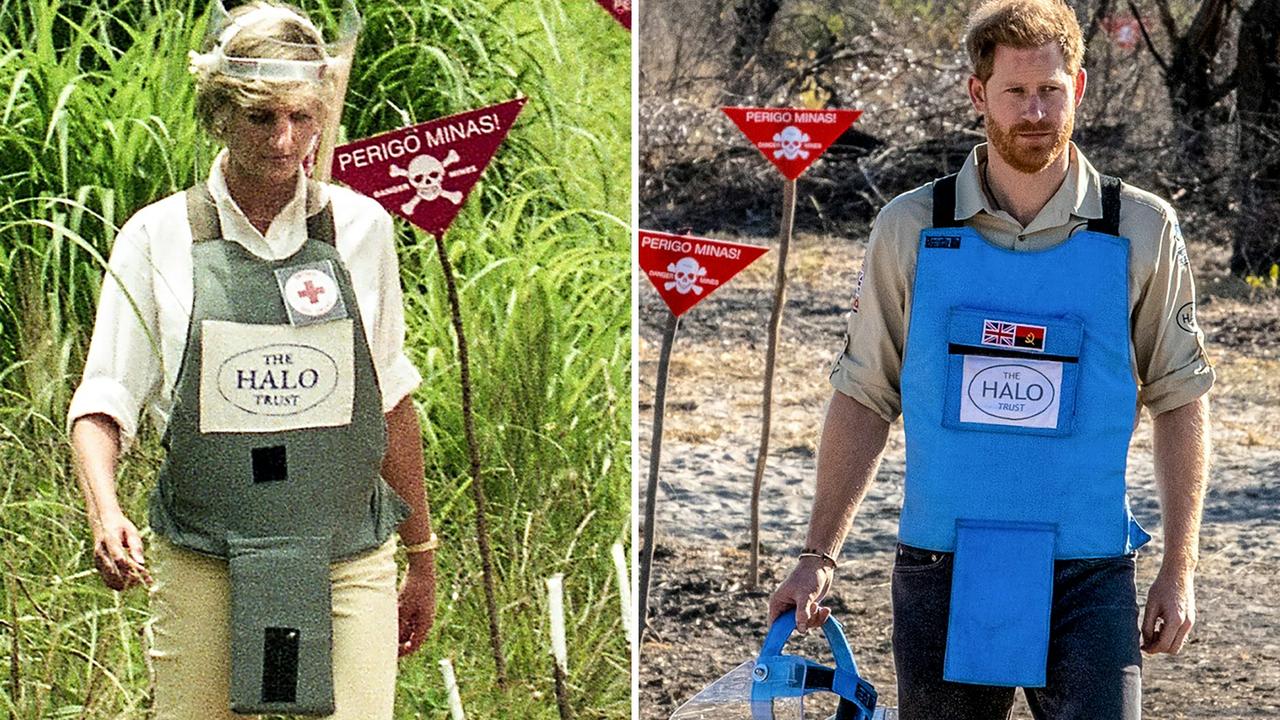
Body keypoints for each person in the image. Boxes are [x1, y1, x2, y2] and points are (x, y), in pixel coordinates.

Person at [768, 1, 1214, 718]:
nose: (1036, 111)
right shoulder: (911, 227)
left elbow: (1181, 398)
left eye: (1052, 90)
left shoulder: (1140, 226)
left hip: (1089, 571)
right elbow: (863, 394)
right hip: (939, 570)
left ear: (1081, 87)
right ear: (979, 94)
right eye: (1015, 92)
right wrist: (818, 555)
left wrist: (1179, 571)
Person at [67, 3, 436, 718]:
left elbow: (390, 398)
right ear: (218, 114)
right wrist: (104, 511)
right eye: (261, 119)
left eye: (302, 117)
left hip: (346, 555)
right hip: (207, 553)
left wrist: (421, 554)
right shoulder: (157, 236)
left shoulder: (361, 230)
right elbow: (103, 399)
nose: (285, 140)